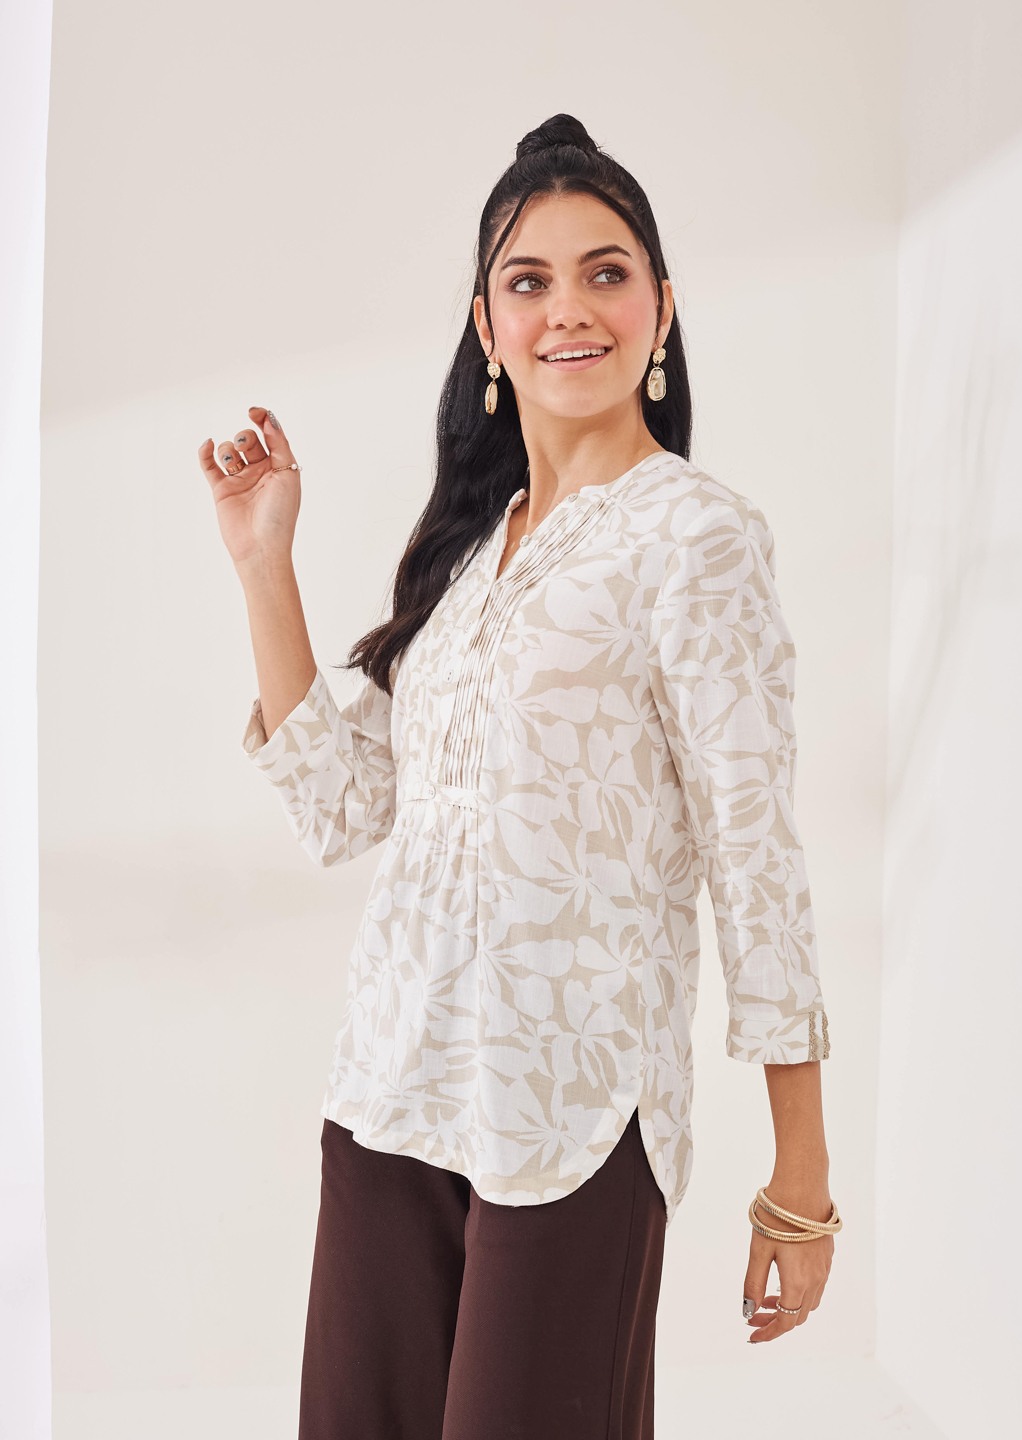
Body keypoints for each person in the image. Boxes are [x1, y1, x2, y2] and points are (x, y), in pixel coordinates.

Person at [197, 112, 840, 1440]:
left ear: (662, 309)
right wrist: (265, 567)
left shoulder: (696, 536)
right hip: (391, 1095)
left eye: (607, 272)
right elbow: (345, 805)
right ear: (487, 329)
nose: (570, 309)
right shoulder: (468, 556)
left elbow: (755, 857)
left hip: (572, 1119)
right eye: (529, 281)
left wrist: (802, 1174)